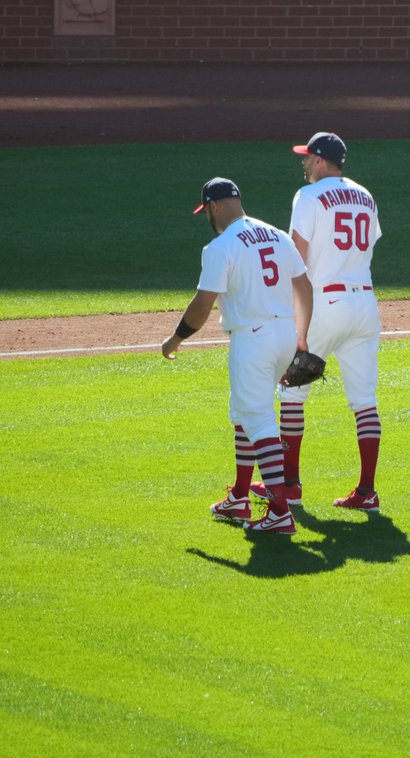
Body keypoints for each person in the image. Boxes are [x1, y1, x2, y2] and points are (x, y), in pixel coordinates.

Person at [162, 177, 313, 536]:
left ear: (213, 207)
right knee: (243, 411)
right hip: (284, 336)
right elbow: (303, 286)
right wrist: (301, 336)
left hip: (252, 340)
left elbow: (202, 306)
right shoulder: (278, 235)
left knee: (259, 421)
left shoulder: (221, 246)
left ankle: (279, 511)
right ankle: (240, 497)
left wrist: (175, 339)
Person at [249, 132, 384, 513]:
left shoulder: (307, 196)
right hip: (365, 303)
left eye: (308, 157)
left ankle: (290, 485)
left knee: (291, 392)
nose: (304, 163)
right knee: (364, 401)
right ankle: (367, 491)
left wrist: (288, 311)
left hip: (325, 303)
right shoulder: (366, 195)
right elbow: (369, 246)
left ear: (322, 160)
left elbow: (296, 256)